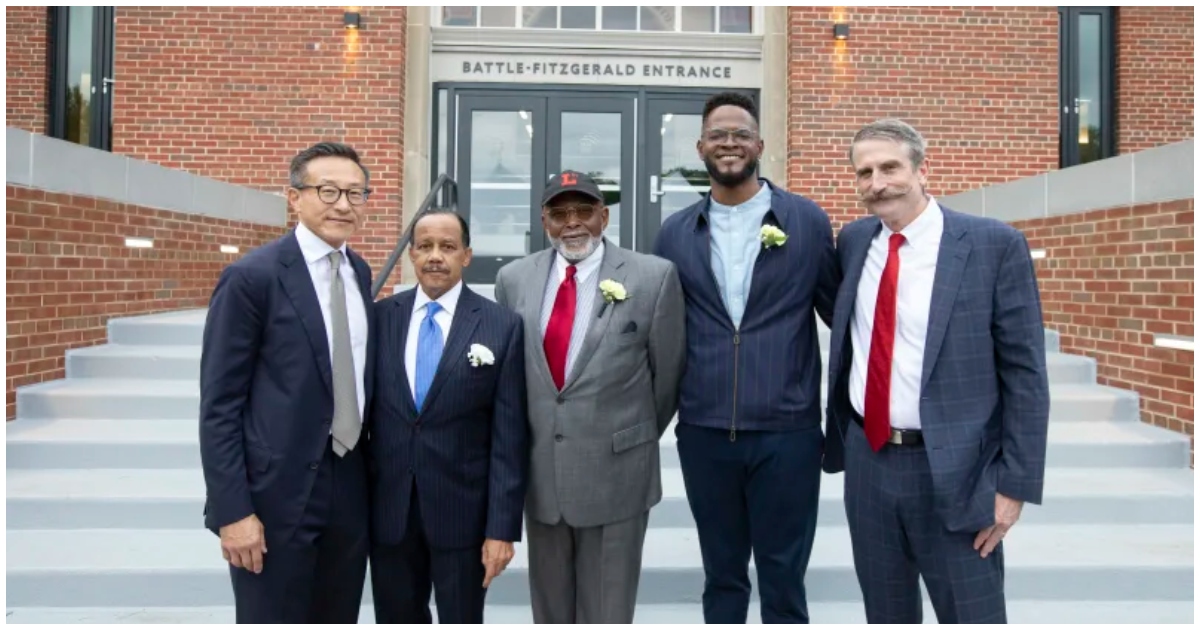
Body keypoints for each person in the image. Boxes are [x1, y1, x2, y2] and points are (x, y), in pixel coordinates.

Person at [823, 118, 1050, 623]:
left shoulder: (993, 245)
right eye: (864, 173)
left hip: (958, 471)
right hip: (869, 461)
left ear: (924, 170)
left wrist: (1013, 488)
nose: (877, 183)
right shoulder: (857, 241)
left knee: (972, 614)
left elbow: (1025, 374)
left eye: (889, 167)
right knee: (885, 614)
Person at [651, 92, 839, 624]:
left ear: (758, 144)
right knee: (723, 575)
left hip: (788, 432)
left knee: (783, 578)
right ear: (700, 147)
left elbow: (842, 318)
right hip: (706, 430)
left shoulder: (804, 221)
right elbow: (659, 329)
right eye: (717, 135)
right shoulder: (675, 233)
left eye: (739, 134)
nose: (728, 144)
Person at [493, 170, 686, 623]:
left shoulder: (653, 276)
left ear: (604, 216)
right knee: (550, 611)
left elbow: (668, 376)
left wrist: (626, 434)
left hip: (617, 472)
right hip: (541, 475)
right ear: (544, 220)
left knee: (608, 612)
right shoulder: (513, 279)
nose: (572, 222)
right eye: (559, 213)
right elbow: (509, 379)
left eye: (584, 210)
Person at [199, 142, 376, 623]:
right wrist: (233, 511)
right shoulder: (250, 278)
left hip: (348, 486)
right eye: (328, 190)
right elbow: (220, 406)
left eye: (356, 193)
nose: (343, 203)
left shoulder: (359, 271)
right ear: (293, 198)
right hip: (275, 495)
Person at [367, 207, 529, 624]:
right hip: (389, 514)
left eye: (447, 246)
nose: (435, 256)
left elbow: (509, 439)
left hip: (464, 517)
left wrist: (502, 529)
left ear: (467, 255)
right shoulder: (380, 319)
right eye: (425, 247)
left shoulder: (502, 326)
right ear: (411, 255)